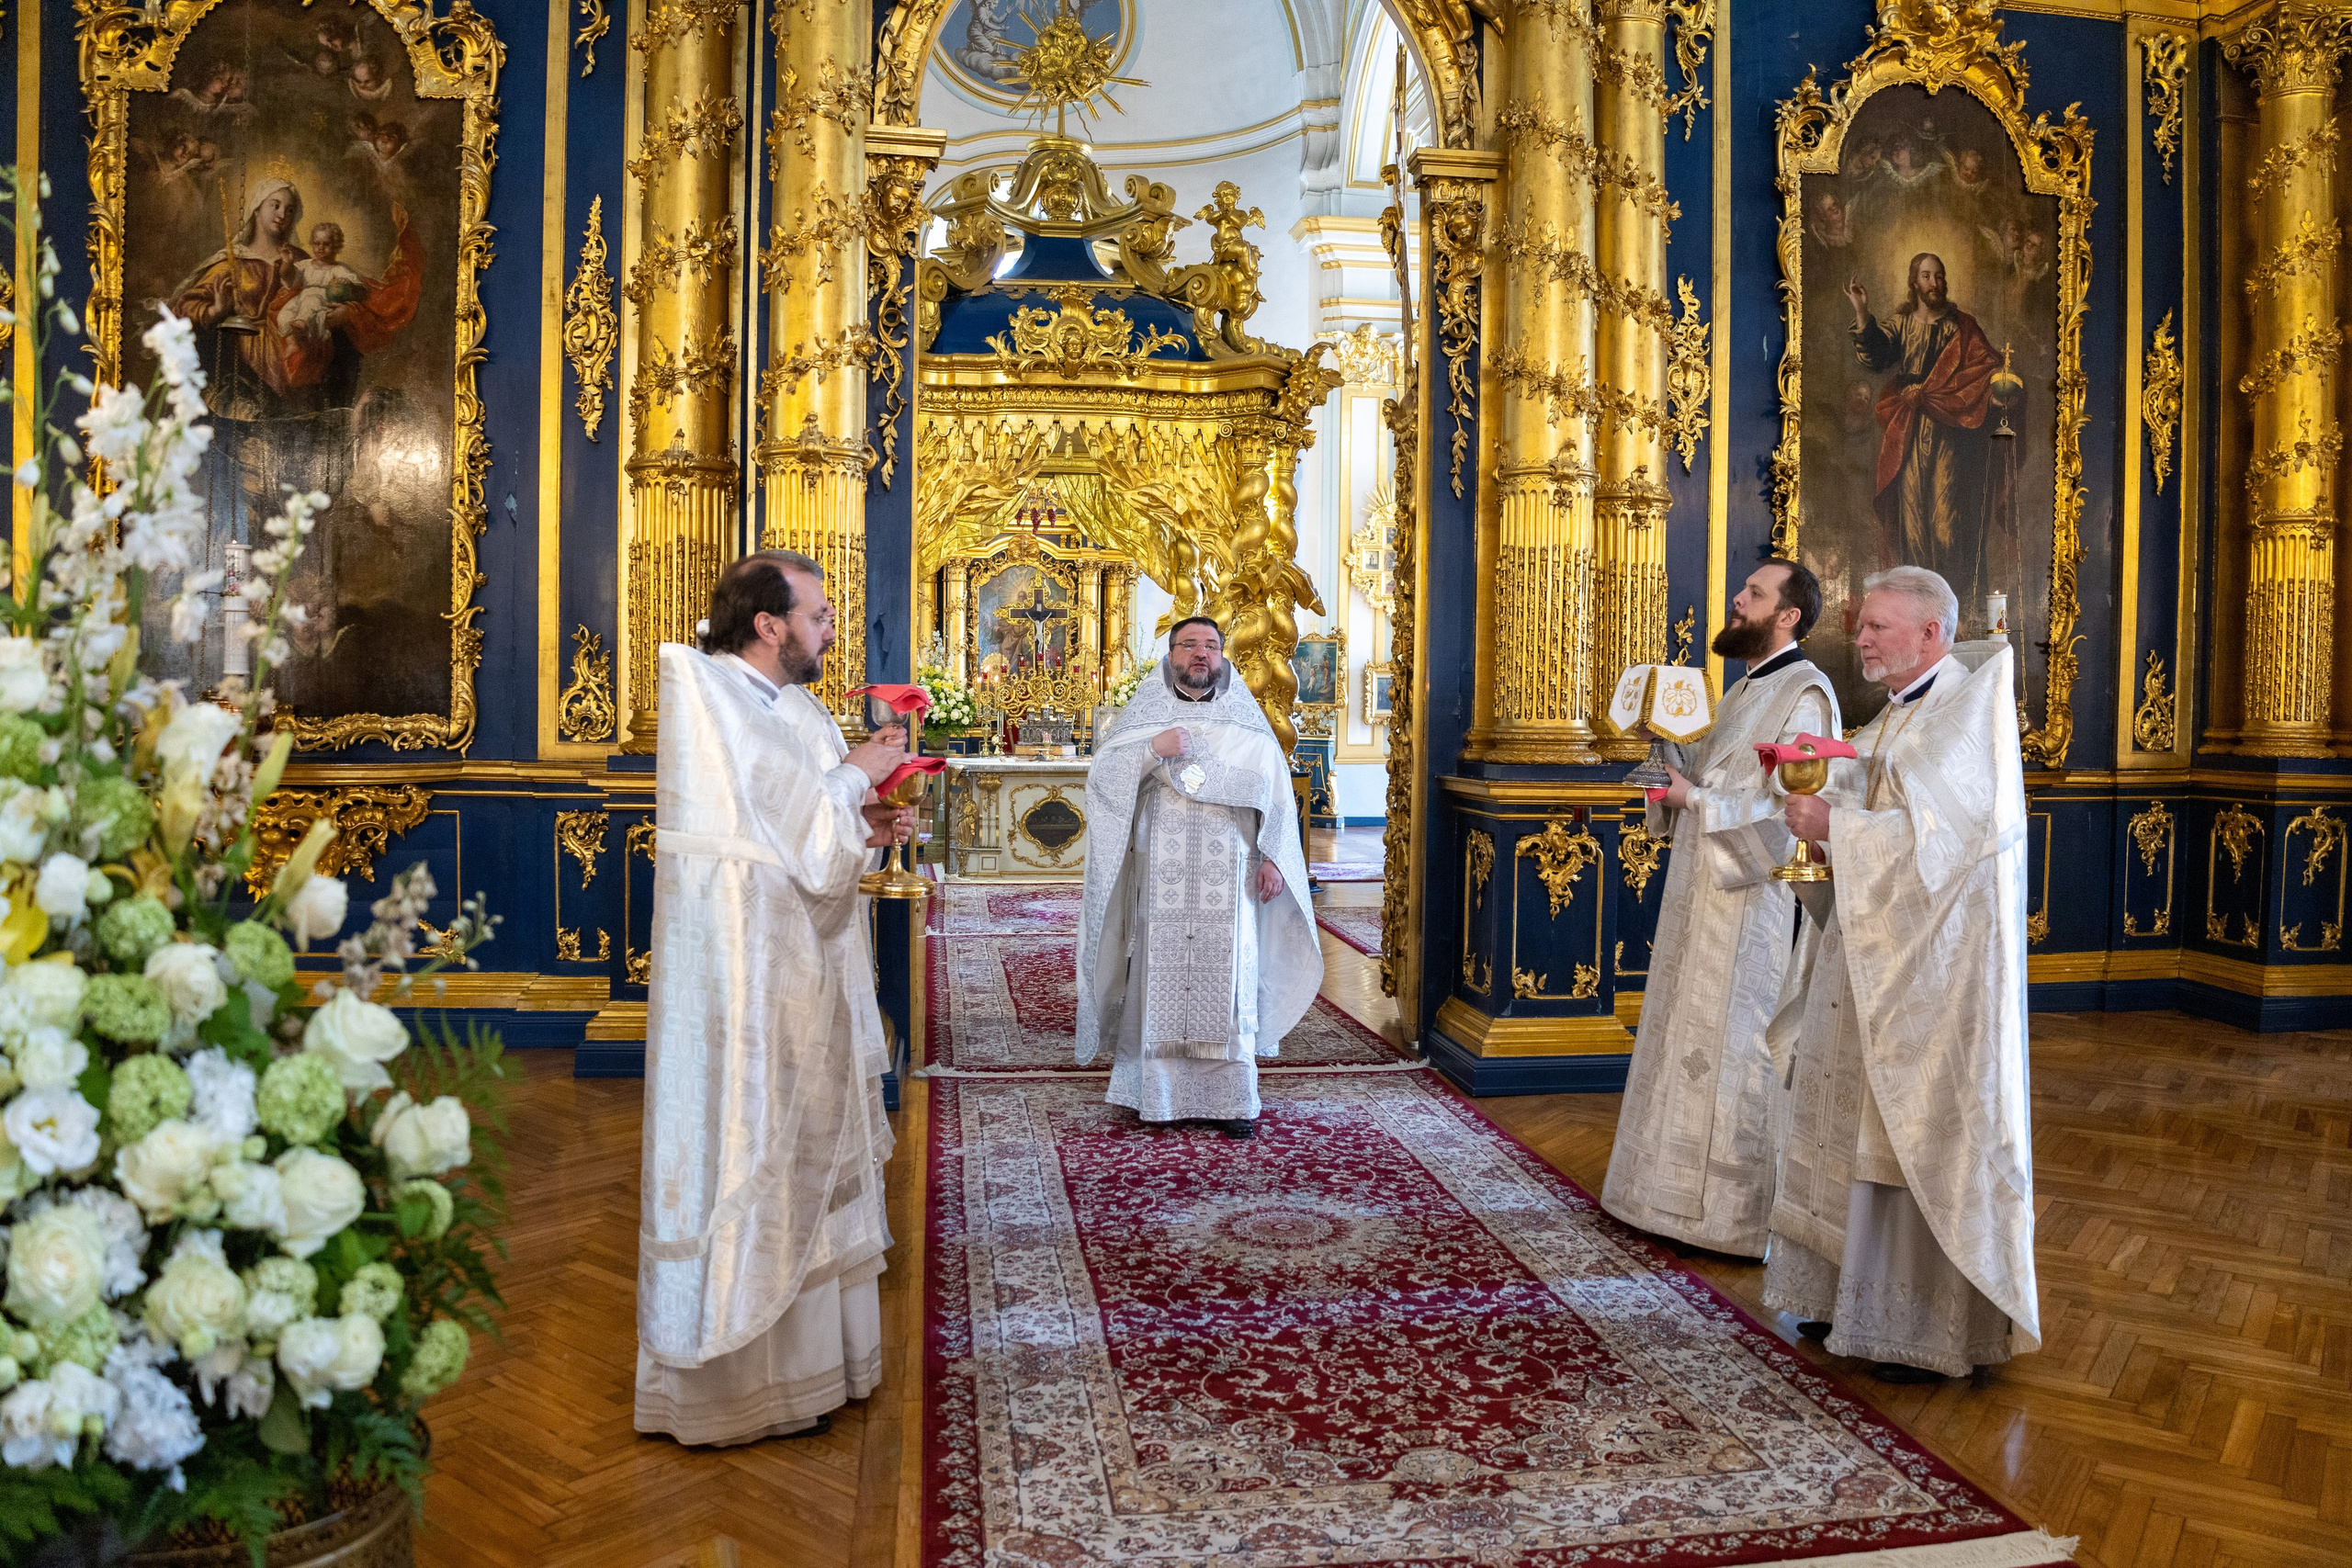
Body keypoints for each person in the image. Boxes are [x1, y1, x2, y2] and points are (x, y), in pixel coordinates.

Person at [636, 550, 916, 1445]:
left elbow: (815, 837)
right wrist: (856, 774)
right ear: (769, 624)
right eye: (820, 614)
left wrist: (865, 819)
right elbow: (786, 824)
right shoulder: (711, 696)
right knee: (752, 1138)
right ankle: (738, 1381)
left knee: (808, 1137)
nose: (831, 629)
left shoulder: (790, 705)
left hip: (804, 959)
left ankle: (814, 1374)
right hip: (746, 974)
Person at [1764, 565, 2040, 1383]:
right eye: (1863, 624)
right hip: (1870, 954)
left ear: (1933, 633)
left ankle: (1919, 1327)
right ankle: (1841, 1294)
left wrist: (1834, 824)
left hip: (1935, 979)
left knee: (1908, 1131)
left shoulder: (1966, 716)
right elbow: (1881, 802)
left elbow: (1938, 852)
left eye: (1880, 625)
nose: (1863, 638)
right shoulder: (1891, 718)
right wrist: (1821, 806)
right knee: (1847, 1120)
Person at [1600, 559, 1840, 1257]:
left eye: (1754, 594)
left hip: (1751, 907)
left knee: (1734, 1046)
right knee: (1682, 1031)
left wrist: (1692, 798)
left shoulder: (1808, 695)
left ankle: (1725, 1216)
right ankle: (1659, 1193)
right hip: (1699, 890)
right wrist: (1662, 744)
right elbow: (1708, 769)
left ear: (1787, 615)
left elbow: (1786, 816)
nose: (1738, 599)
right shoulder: (1743, 688)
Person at [1075, 617, 1321, 1138]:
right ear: (1170, 657)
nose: (1201, 654)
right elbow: (1103, 779)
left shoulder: (1246, 725)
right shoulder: (1143, 720)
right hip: (1161, 881)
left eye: (1211, 646)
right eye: (1190, 645)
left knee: (1228, 984)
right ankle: (1155, 1096)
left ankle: (1231, 1101)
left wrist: (1275, 858)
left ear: (1221, 657)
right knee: (1156, 974)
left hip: (1231, 882)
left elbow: (1276, 797)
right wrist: (1151, 751)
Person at [1846, 253, 2016, 604]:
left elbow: (1987, 368)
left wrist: (1992, 391)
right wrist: (1862, 311)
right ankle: (1916, 607)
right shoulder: (1902, 324)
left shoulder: (1961, 327)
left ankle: (1950, 606)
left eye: (1938, 276)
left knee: (1946, 523)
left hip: (1951, 431)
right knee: (1911, 522)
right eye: (1926, 277)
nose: (1933, 284)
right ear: (1914, 282)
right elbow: (1876, 356)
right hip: (1908, 429)